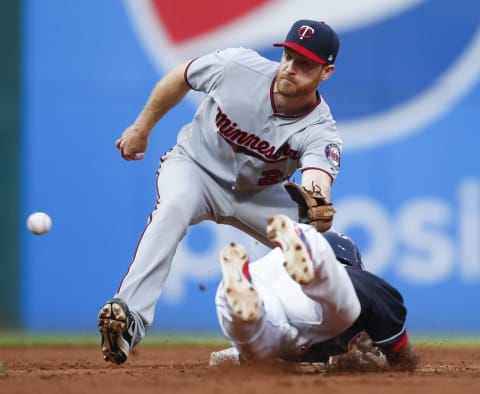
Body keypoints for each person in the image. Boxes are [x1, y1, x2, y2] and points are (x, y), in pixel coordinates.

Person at [98, 19, 343, 365]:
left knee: (327, 249)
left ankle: (343, 339)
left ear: (326, 72)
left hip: (260, 196)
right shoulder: (237, 67)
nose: (290, 68)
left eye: (304, 64)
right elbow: (182, 76)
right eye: (288, 56)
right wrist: (142, 127)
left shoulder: (320, 127)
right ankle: (128, 322)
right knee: (173, 209)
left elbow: (317, 176)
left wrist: (316, 197)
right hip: (194, 168)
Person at [212, 214, 419, 371]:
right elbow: (404, 360)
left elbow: (219, 360)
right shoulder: (366, 283)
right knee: (338, 301)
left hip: (267, 280)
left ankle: (236, 308)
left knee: (256, 342)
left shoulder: (273, 267)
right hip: (314, 302)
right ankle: (312, 256)